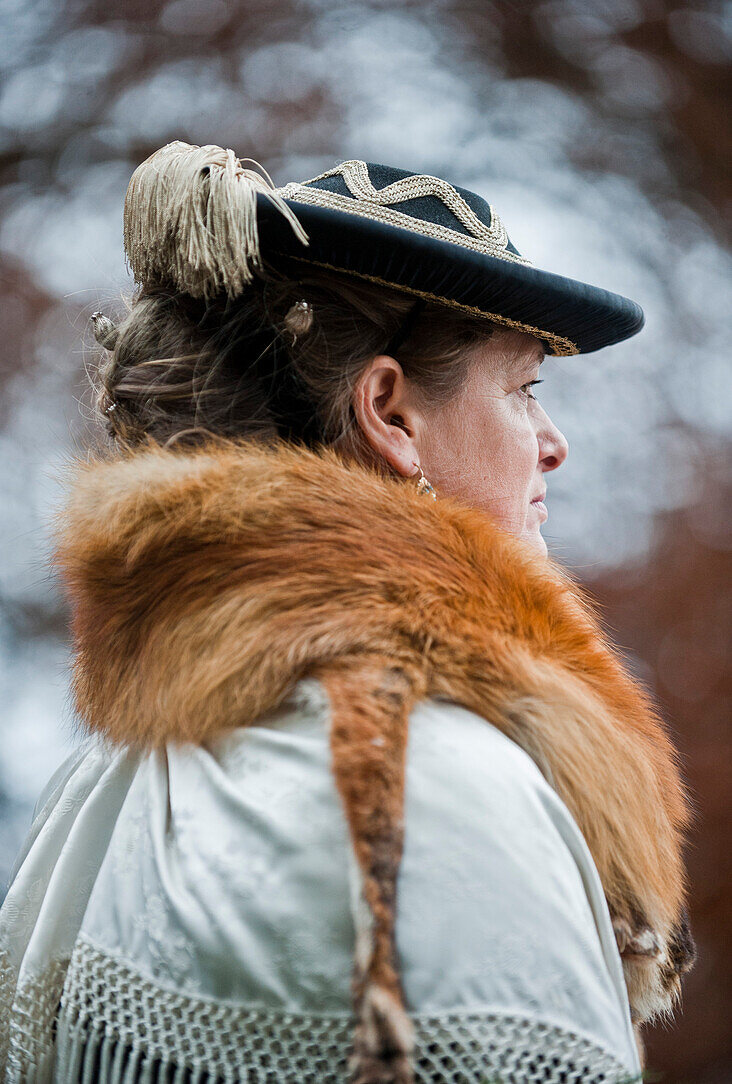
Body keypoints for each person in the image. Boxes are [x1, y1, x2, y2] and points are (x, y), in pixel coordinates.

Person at [0, 142, 695, 1084]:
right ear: (390, 412)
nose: (553, 444)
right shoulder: (433, 781)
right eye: (525, 388)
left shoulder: (108, 774)